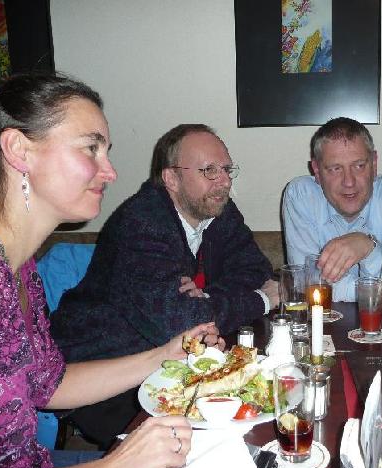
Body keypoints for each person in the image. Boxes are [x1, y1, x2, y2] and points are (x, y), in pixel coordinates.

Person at [0, 73, 224, 468]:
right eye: (90, 148)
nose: (110, 172)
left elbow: (49, 384)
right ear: (18, 150)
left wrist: (166, 355)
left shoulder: (17, 264)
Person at [50, 123, 278, 446]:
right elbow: (185, 326)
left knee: (250, 406)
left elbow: (257, 269)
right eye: (209, 170)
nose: (224, 181)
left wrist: (207, 297)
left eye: (226, 169)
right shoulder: (142, 222)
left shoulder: (217, 209)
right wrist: (263, 300)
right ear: (171, 178)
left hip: (165, 360)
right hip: (102, 374)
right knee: (206, 441)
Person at [283, 117, 382, 303]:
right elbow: (305, 283)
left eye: (359, 166)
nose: (349, 182)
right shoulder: (300, 195)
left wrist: (367, 246)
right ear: (316, 170)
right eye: (335, 169)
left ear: (374, 163)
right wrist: (376, 291)